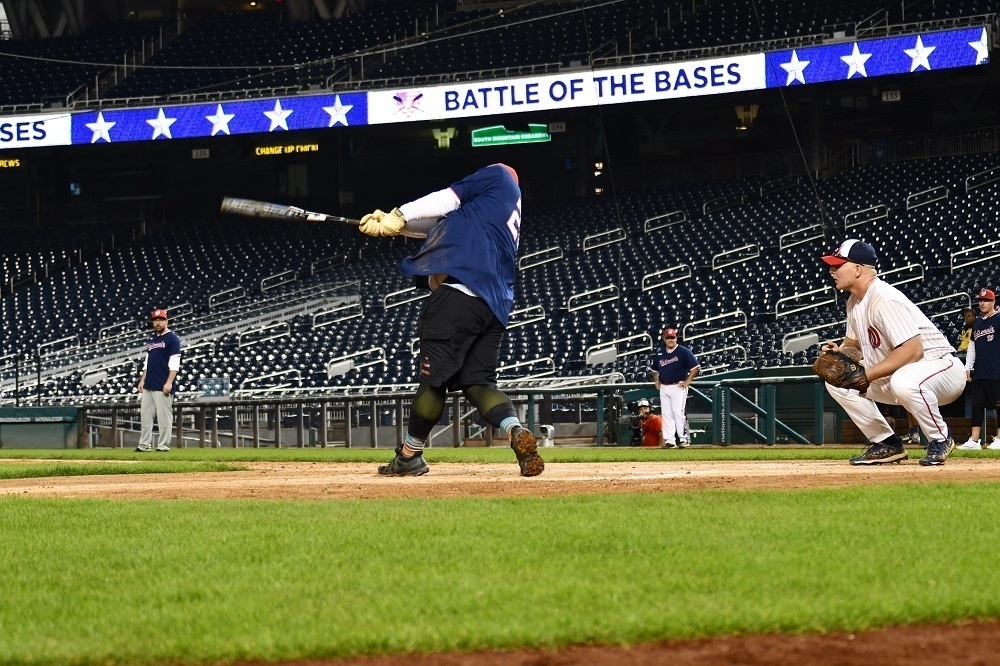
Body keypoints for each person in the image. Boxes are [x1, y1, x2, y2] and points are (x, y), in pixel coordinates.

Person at [357, 163, 543, 477]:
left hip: (457, 296)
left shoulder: (498, 176)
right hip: (493, 306)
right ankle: (515, 430)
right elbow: (442, 226)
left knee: (434, 383)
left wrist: (400, 214)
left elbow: (449, 198)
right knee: (478, 383)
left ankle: (408, 456)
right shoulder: (496, 215)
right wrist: (395, 226)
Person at [818, 239, 965, 466]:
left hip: (941, 370)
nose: (832, 270)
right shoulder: (854, 303)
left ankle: (940, 438)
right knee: (838, 382)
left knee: (903, 380)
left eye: (838, 265)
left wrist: (867, 376)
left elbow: (913, 351)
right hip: (901, 377)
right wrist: (841, 351)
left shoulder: (883, 298)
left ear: (858, 269)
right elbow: (853, 346)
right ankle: (887, 443)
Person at [957, 288, 1000, 450]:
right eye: (980, 300)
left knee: (998, 405)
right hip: (980, 371)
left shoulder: (999, 319)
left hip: (996, 370)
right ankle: (974, 441)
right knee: (977, 405)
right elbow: (972, 346)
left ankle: (999, 439)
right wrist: (968, 366)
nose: (982, 303)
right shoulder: (978, 322)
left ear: (993, 301)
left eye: (986, 300)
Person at [136, 308, 181, 452]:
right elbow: (147, 362)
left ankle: (163, 446)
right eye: (155, 320)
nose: (158, 323)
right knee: (145, 416)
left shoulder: (172, 338)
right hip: (149, 383)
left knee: (164, 417)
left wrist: (169, 382)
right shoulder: (152, 338)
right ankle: (144, 445)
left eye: (161, 320)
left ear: (166, 321)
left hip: (162, 384)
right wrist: (143, 379)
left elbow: (174, 362)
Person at [650, 327, 700, 448]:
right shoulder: (660, 353)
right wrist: (656, 380)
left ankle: (684, 439)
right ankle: (670, 441)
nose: (670, 340)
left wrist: (688, 381)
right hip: (664, 386)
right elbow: (654, 369)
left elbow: (695, 367)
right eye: (668, 338)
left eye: (672, 337)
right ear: (664, 339)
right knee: (667, 415)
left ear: (676, 338)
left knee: (678, 413)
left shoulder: (683, 351)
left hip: (678, 386)